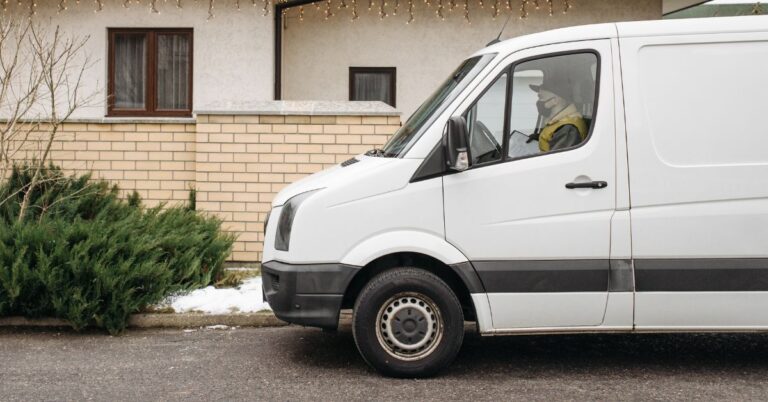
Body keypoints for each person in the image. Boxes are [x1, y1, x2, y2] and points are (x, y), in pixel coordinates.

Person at [526, 79, 588, 152]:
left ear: (555, 100)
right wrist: (538, 138)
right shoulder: (560, 121)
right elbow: (554, 137)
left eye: (541, 97)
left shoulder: (568, 129)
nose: (538, 101)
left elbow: (556, 161)